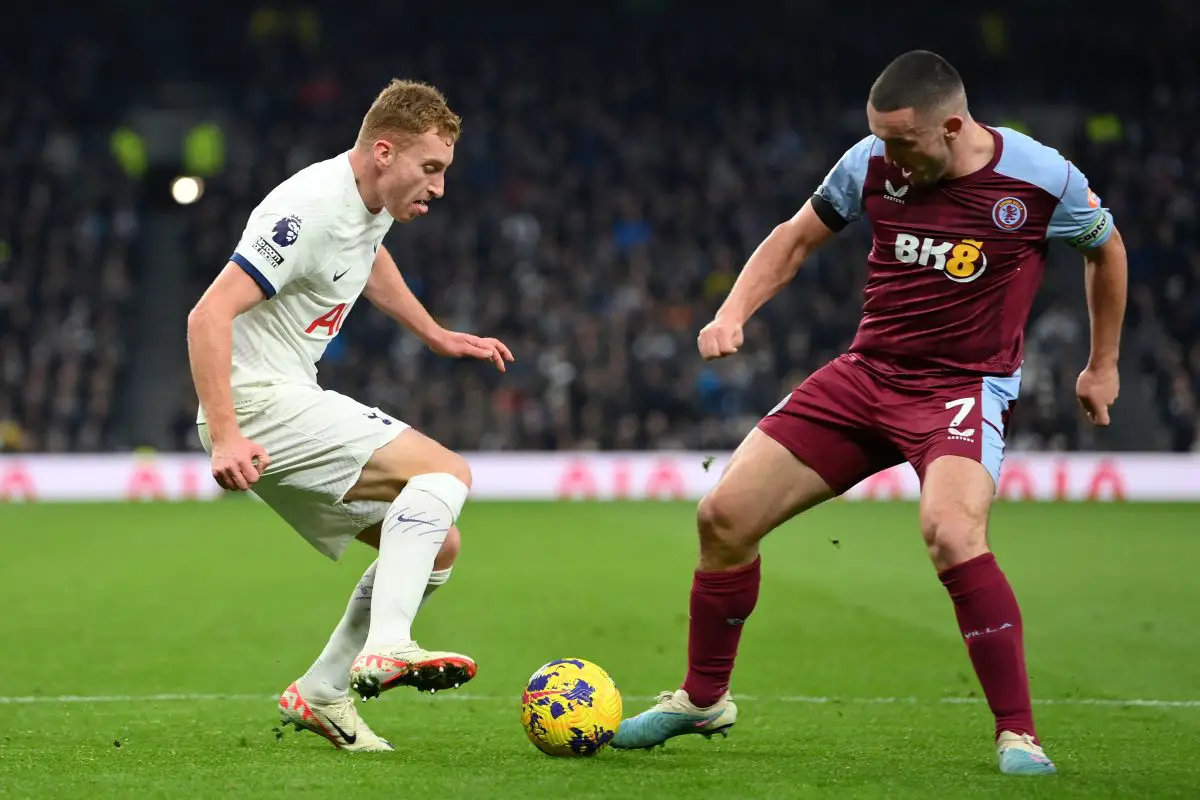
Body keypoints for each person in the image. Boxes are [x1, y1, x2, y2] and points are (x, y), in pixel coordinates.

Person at [611, 50, 1126, 777]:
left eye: (902, 142)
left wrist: (1101, 365)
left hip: (961, 388)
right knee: (721, 518)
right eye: (879, 140)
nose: (888, 156)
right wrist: (733, 312)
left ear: (952, 127)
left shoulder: (1042, 178)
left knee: (951, 532)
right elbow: (794, 239)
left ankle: (1018, 733)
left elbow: (1106, 251)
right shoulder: (869, 163)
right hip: (864, 375)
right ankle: (702, 699)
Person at [186, 79, 514, 752]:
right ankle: (390, 644)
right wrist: (225, 435)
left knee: (435, 546)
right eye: (432, 169)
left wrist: (434, 333)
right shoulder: (308, 208)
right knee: (446, 472)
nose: (440, 188)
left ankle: (323, 690)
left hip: (278, 401)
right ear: (384, 152)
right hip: (257, 405)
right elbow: (207, 314)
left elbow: (367, 256)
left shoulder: (370, 203)